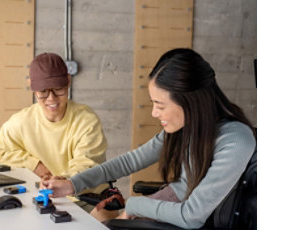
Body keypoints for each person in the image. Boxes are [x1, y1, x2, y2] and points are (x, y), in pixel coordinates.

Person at [42, 48, 257, 229]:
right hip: (174, 203)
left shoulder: (236, 140)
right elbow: (130, 161)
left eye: (160, 105)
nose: (154, 113)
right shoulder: (187, 127)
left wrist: (133, 206)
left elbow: (192, 215)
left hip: (189, 217)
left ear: (190, 102)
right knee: (97, 220)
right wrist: (73, 184)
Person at [0, 52, 109, 211]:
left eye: (59, 89)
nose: (52, 99)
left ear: (68, 80)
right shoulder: (22, 121)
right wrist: (35, 166)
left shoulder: (87, 121)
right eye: (43, 92)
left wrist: (63, 180)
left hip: (87, 200)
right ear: (31, 86)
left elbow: (87, 164)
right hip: (48, 199)